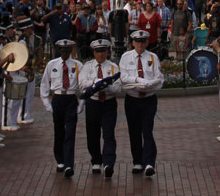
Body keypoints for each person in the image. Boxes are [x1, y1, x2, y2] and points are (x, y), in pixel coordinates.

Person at [119, 30, 165, 177]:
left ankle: (149, 162)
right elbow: (123, 77)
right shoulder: (126, 57)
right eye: (137, 41)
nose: (140, 44)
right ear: (133, 43)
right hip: (132, 98)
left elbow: (159, 77)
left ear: (147, 42)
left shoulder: (153, 57)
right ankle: (137, 161)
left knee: (147, 130)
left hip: (148, 98)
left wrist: (150, 83)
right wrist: (137, 80)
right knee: (134, 131)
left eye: (143, 41)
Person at [79, 38, 122, 178]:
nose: (100, 54)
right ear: (94, 52)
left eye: (103, 51)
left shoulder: (113, 67)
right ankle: (96, 160)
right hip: (93, 103)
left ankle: (109, 162)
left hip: (108, 103)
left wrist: (106, 85)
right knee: (92, 133)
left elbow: (118, 87)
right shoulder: (87, 66)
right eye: (98, 51)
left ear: (107, 52)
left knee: (109, 133)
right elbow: (81, 84)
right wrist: (94, 83)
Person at [40, 39, 83, 179]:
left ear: (71, 51)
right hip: (57, 99)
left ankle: (69, 164)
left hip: (70, 98)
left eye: (67, 50)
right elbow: (45, 84)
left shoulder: (77, 65)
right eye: (62, 50)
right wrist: (47, 103)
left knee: (70, 132)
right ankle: (60, 160)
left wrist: (81, 104)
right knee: (59, 131)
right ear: (59, 51)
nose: (65, 53)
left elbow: (83, 86)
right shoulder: (52, 65)